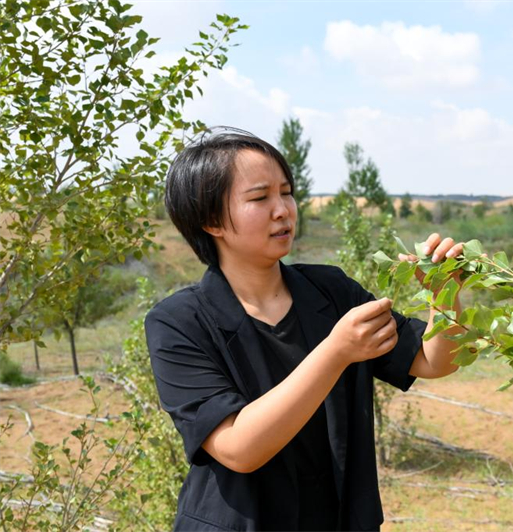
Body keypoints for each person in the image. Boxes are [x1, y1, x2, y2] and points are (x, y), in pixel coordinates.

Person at [144, 127, 469, 531]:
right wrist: (336, 352)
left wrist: (444, 296)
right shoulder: (179, 323)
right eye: (260, 198)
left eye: (286, 192)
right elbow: (239, 447)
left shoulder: (330, 291)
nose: (283, 210)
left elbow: (432, 360)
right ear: (211, 220)